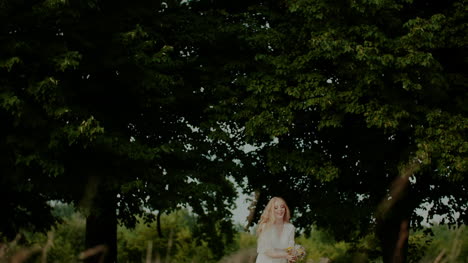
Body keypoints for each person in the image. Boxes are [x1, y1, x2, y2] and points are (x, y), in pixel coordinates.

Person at [255, 197, 296, 263]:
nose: (280, 210)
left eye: (282, 207)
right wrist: (285, 255)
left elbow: (290, 248)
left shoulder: (290, 228)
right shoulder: (266, 226)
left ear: (285, 209)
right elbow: (268, 251)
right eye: (276, 208)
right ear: (271, 211)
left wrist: (292, 257)